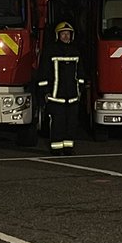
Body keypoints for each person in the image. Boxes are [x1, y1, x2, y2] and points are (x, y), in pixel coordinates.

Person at [37, 20, 85, 155]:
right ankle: (56, 148)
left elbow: (80, 72)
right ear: (57, 36)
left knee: (71, 123)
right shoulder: (50, 51)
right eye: (63, 34)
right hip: (55, 96)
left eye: (68, 34)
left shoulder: (75, 51)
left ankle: (68, 147)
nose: (66, 36)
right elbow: (44, 73)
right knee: (57, 123)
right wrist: (45, 92)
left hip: (72, 96)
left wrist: (80, 89)